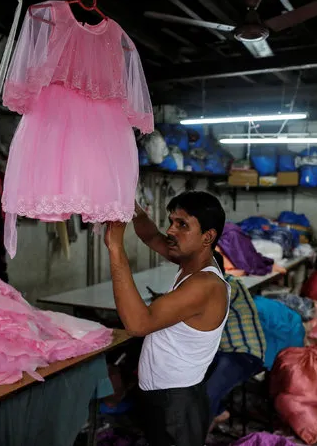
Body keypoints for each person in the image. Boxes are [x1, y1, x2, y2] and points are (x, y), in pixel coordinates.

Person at [104, 191, 230, 446]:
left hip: (177, 403)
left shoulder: (205, 284)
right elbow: (151, 235)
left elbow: (138, 324)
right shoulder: (191, 260)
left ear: (208, 236)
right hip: (167, 396)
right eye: (171, 221)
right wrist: (132, 207)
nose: (171, 230)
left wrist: (116, 247)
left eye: (182, 224)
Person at [205, 251, 266, 430]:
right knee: (190, 377)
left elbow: (189, 311)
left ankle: (198, 434)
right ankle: (218, 412)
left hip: (244, 354)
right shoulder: (213, 287)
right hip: (226, 352)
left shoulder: (228, 286)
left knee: (207, 396)